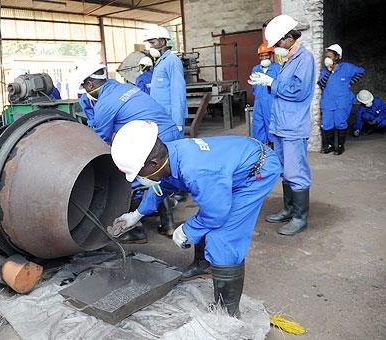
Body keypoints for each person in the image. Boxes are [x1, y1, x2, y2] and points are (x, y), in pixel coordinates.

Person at [110, 120, 281, 316]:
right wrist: (136, 214)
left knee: (223, 238)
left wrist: (187, 230)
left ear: (153, 164)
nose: (139, 178)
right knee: (207, 216)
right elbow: (161, 187)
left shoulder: (197, 171)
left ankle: (228, 313)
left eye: (138, 173)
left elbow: (216, 214)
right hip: (234, 160)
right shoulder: (169, 154)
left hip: (257, 171)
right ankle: (204, 265)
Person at [75, 62, 181, 243]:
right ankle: (168, 225)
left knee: (127, 179)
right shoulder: (124, 88)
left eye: (84, 86)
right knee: (161, 178)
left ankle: (136, 230)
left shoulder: (104, 104)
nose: (85, 91)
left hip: (153, 139)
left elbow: (102, 141)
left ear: (90, 85)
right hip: (168, 132)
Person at [248, 15, 315, 236]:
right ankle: (288, 209)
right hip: (280, 125)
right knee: (285, 171)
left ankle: (299, 217)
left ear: (289, 38)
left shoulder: (304, 59)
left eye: (277, 43)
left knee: (296, 171)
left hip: (293, 126)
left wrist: (272, 82)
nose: (275, 48)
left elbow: (298, 91)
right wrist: (265, 84)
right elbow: (281, 90)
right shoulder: (287, 60)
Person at [317, 44, 365, 155]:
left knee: (340, 123)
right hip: (328, 102)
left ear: (337, 57)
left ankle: (339, 146)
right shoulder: (325, 71)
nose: (327, 58)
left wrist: (350, 83)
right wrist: (329, 71)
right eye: (326, 56)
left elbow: (361, 71)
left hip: (342, 102)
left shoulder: (347, 67)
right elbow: (321, 84)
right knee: (326, 123)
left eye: (330, 56)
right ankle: (329, 146)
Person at [143, 25, 188, 138]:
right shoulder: (160, 62)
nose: (150, 46)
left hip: (171, 119)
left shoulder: (172, 61)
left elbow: (178, 92)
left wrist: (178, 122)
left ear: (162, 41)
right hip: (161, 117)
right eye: (150, 43)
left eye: (152, 43)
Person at [251, 42, 281, 144]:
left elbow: (279, 86)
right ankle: (261, 150)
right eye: (261, 56)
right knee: (258, 124)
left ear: (271, 55)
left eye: (266, 55)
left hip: (271, 101)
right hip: (258, 102)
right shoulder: (255, 69)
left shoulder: (278, 68)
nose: (264, 58)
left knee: (271, 124)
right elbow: (254, 86)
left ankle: (274, 149)